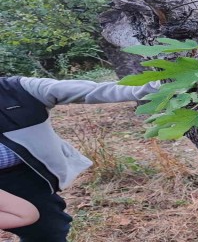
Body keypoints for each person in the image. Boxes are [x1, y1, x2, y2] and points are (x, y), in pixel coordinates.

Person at [0, 76, 158, 241]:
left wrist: (159, 87)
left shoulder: (19, 89)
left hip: (25, 174)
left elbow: (90, 90)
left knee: (48, 230)